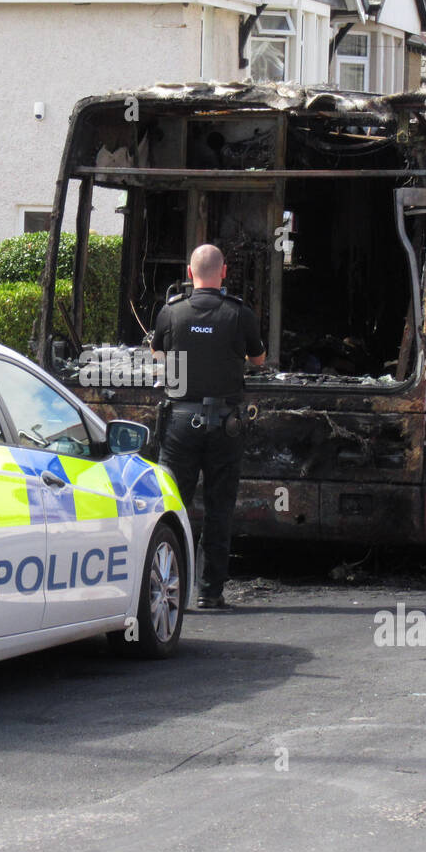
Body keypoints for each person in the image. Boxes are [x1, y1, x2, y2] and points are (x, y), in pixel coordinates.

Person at [151, 243, 266, 609]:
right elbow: (258, 358)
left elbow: (159, 355)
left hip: (180, 423)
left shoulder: (170, 313)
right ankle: (210, 592)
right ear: (224, 273)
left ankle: (171, 588)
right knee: (219, 508)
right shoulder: (239, 314)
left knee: (173, 506)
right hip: (225, 424)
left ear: (189, 273)